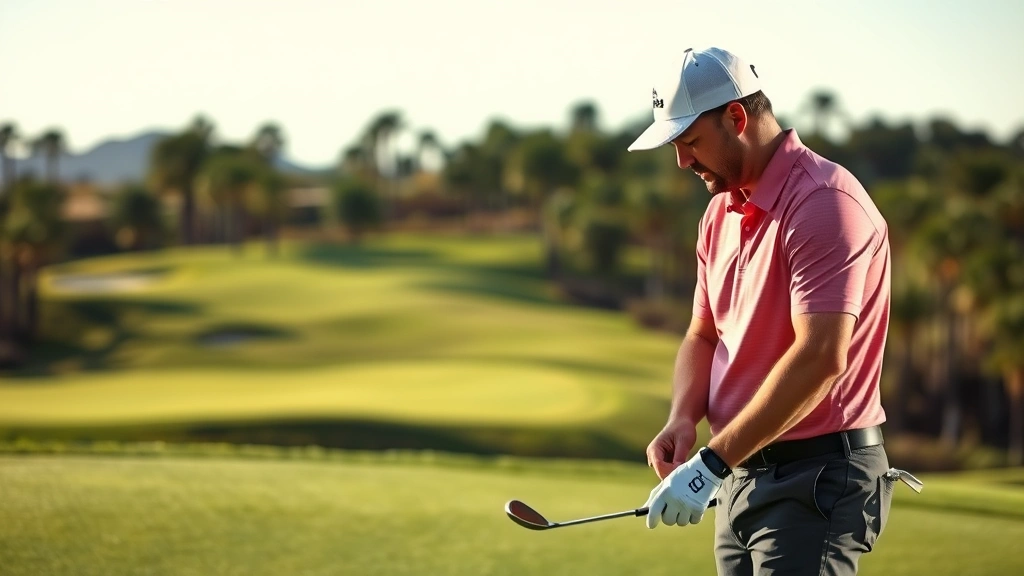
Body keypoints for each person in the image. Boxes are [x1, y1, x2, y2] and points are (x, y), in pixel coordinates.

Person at [626, 46, 905, 576]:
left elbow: (821, 357)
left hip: (817, 477)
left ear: (736, 117)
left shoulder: (823, 202)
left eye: (690, 142)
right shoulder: (719, 213)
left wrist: (711, 463)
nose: (682, 162)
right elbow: (704, 334)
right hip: (739, 473)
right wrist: (683, 417)